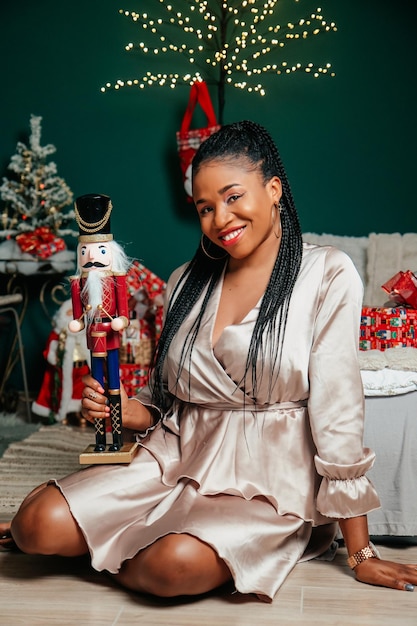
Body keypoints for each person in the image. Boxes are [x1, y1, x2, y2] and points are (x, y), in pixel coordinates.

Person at [1, 121, 416, 601]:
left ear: (274, 189)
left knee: (171, 568)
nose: (221, 218)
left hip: (267, 484)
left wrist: (361, 553)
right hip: (175, 458)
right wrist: (127, 409)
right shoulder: (186, 281)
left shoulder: (326, 273)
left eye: (233, 197)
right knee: (35, 527)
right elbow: (165, 398)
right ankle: (115, 541)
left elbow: (338, 407)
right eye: (205, 207)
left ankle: (117, 547)